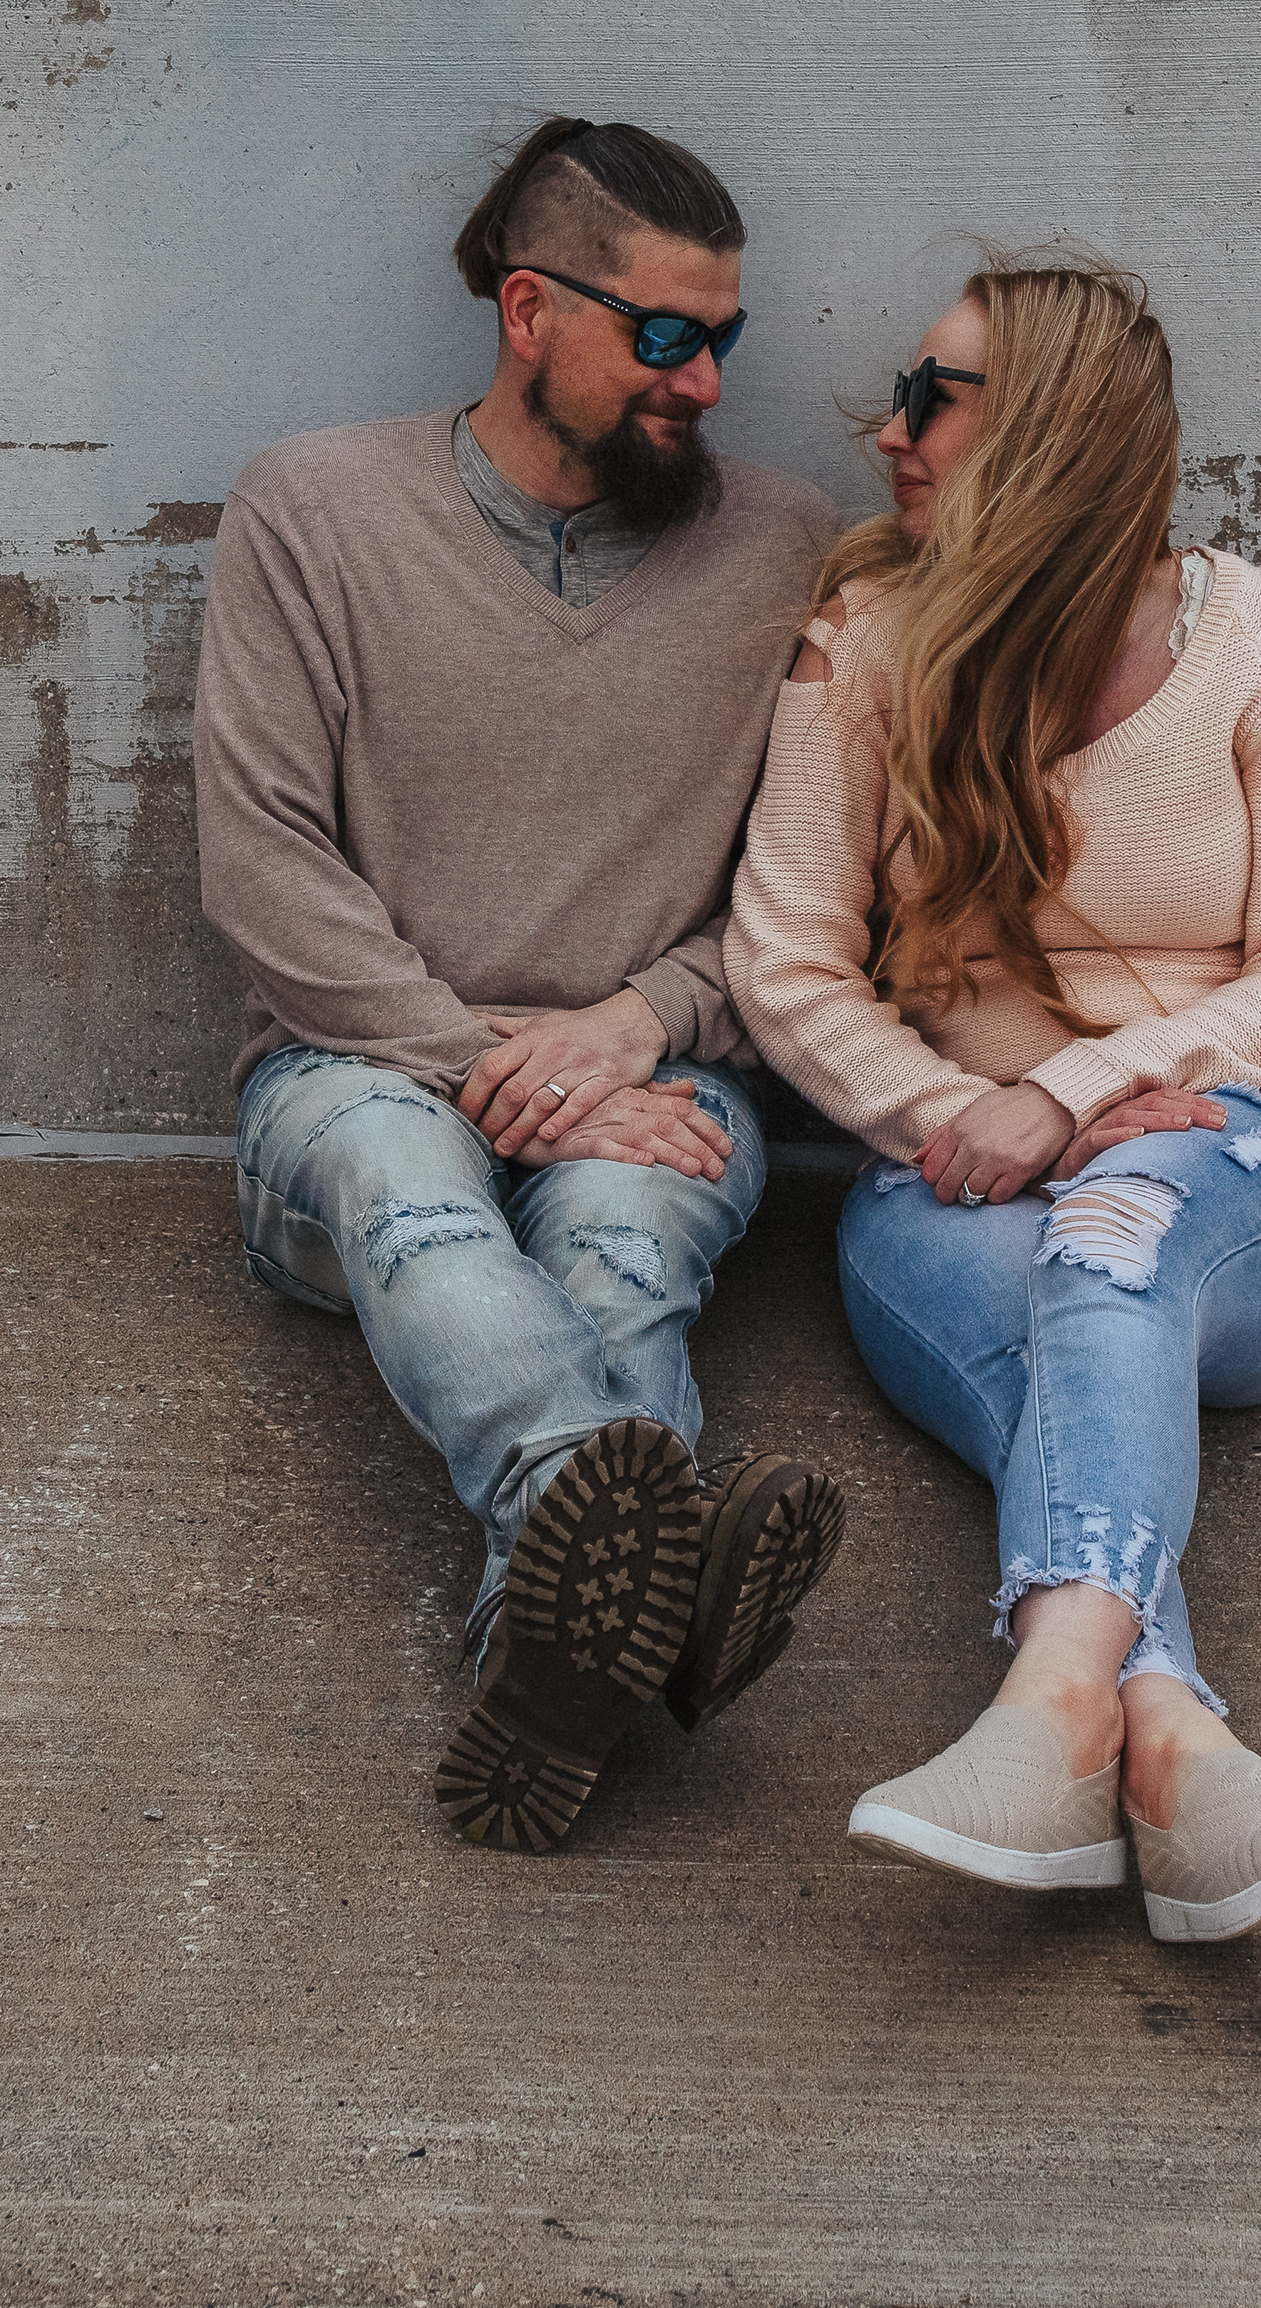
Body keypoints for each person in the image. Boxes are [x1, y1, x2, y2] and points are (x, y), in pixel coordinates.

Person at [726, 256, 1261, 1943]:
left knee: (1110, 1233)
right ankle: (1166, 1745)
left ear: (1052, 433)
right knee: (1065, 1344)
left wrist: (1077, 1092)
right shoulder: (870, 643)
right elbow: (786, 965)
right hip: (946, 1167)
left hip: (1244, 1165)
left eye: (934, 397)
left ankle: (1042, 1720)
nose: (889, 429)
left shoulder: (1253, 640)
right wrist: (966, 1111)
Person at [194, 117, 845, 1855]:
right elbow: (263, 863)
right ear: (530, 311)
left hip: (656, 1072)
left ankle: (545, 1650)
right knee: (412, 1195)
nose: (706, 382)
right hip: (349, 1066)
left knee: (624, 1243)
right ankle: (636, 1549)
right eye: (664, 335)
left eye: (725, 339)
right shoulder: (313, 509)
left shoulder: (791, 549)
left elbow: (812, 898)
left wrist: (637, 1028)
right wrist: (484, 1059)